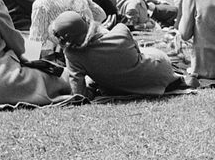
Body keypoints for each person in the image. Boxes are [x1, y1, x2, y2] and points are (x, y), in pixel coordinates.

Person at [51, 11, 185, 98]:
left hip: (122, 87)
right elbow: (137, 54)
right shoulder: (121, 31)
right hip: (160, 71)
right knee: (145, 52)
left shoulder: (73, 55)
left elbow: (79, 93)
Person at [26, 0, 106, 60]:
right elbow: (101, 14)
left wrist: (27, 62)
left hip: (74, 57)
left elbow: (35, 41)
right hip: (98, 45)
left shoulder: (41, 3)